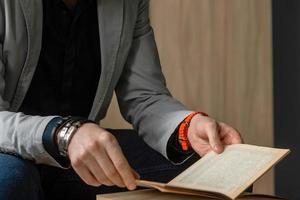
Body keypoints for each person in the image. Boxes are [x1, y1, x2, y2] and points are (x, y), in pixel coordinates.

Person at [0, 0, 242, 199]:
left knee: (219, 170)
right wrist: (65, 134)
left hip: (79, 157)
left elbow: (144, 96)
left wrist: (187, 127)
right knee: (12, 179)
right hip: (8, 149)